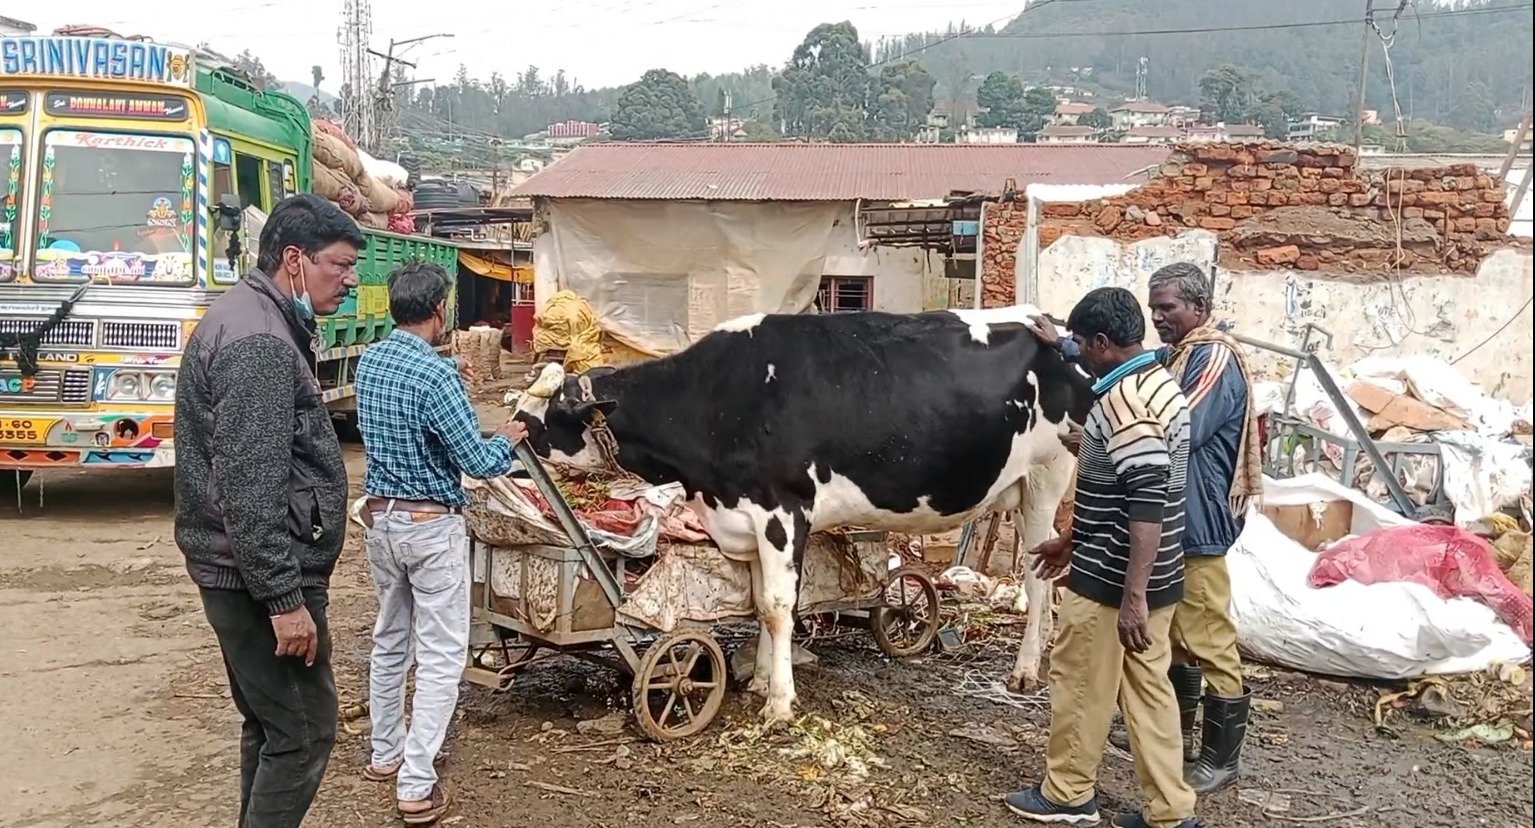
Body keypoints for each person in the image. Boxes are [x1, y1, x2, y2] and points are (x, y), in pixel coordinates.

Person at [1030, 263, 1260, 795]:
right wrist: (1066, 346)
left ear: (1199, 309)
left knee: (1207, 638)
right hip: (1163, 529)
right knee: (1164, 652)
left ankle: (1220, 757)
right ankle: (1171, 751)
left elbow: (1173, 433)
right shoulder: (1172, 360)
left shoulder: (1210, 359)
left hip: (1193, 526)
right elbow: (1125, 360)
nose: (1160, 318)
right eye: (1153, 308)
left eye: (1169, 308)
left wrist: (1106, 444)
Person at [173, 193, 363, 827]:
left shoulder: (257, 318)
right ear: (294, 260)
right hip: (258, 581)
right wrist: (284, 599)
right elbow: (251, 483)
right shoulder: (258, 340)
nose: (351, 278)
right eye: (339, 264)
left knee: (270, 726)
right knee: (304, 733)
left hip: (241, 571)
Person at [1006, 287, 1202, 828]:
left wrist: (1130, 596)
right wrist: (1070, 538)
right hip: (1160, 572)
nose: (1073, 348)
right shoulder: (1156, 382)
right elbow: (1119, 486)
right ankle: (1171, 811)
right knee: (1149, 691)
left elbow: (1144, 496)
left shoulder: (1123, 403)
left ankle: (1067, 793)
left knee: (1079, 684)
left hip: (1115, 581)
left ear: (1101, 341)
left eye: (1077, 340)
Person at [353, 261, 527, 825]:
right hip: (430, 526)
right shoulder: (436, 377)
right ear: (438, 310)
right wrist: (507, 439)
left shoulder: (371, 362)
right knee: (441, 654)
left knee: (389, 638)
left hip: (381, 521)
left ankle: (386, 753)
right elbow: (474, 460)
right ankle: (416, 783)